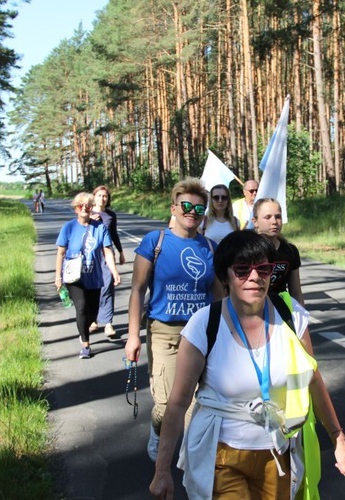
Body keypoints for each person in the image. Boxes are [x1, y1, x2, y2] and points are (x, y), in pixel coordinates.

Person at [149, 230, 345, 500]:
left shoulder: (290, 315)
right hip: (221, 454)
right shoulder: (204, 324)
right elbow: (177, 403)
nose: (255, 277)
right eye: (242, 270)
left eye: (264, 269)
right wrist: (162, 470)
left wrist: (338, 438)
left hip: (279, 452)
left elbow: (312, 378)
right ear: (225, 276)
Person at [125, 177, 223, 462]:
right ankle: (158, 432)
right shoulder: (155, 242)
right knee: (166, 405)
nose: (192, 211)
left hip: (201, 334)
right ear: (174, 208)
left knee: (196, 404)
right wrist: (133, 336)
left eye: (199, 207)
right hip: (165, 332)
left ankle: (191, 465)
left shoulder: (211, 248)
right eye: (186, 205)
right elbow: (137, 289)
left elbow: (218, 297)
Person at [55, 192, 121, 359]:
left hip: (94, 276)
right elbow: (61, 253)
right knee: (82, 307)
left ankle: (84, 327)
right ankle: (86, 345)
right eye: (80, 206)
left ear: (92, 208)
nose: (84, 208)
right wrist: (58, 277)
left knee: (93, 313)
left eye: (88, 206)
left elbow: (107, 251)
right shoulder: (68, 227)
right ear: (75, 209)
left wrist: (114, 271)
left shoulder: (100, 228)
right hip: (74, 277)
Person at [89, 185, 127, 339]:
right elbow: (81, 231)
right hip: (91, 254)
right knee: (93, 288)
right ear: (94, 197)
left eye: (105, 196)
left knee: (108, 286)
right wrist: (90, 221)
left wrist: (121, 252)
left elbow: (114, 234)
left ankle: (108, 323)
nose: (102, 198)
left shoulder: (111, 215)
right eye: (99, 195)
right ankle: (93, 320)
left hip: (107, 254)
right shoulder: (88, 213)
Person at [252, 197, 305, 306]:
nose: (274, 222)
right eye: (267, 217)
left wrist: (301, 318)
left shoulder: (290, 251)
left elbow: (296, 292)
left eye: (278, 217)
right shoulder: (247, 249)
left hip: (281, 310)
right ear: (255, 222)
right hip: (254, 310)